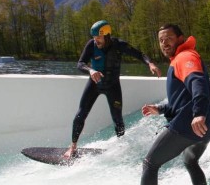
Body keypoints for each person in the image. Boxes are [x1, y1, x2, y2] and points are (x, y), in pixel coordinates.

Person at [126, 23, 210, 185]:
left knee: (150, 163)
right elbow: (181, 101)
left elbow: (197, 83)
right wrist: (160, 109)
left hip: (189, 125)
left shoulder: (185, 57)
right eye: (160, 40)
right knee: (190, 160)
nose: (164, 43)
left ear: (180, 38)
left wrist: (198, 113)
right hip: (207, 128)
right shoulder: (180, 59)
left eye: (168, 38)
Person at [64, 20, 161, 158]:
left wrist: (150, 64)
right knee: (80, 114)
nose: (95, 40)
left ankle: (121, 146)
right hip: (94, 84)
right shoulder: (91, 45)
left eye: (98, 37)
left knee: (117, 119)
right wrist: (91, 70)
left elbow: (139, 54)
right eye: (94, 37)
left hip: (112, 86)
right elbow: (80, 64)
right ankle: (72, 146)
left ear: (107, 35)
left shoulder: (118, 45)